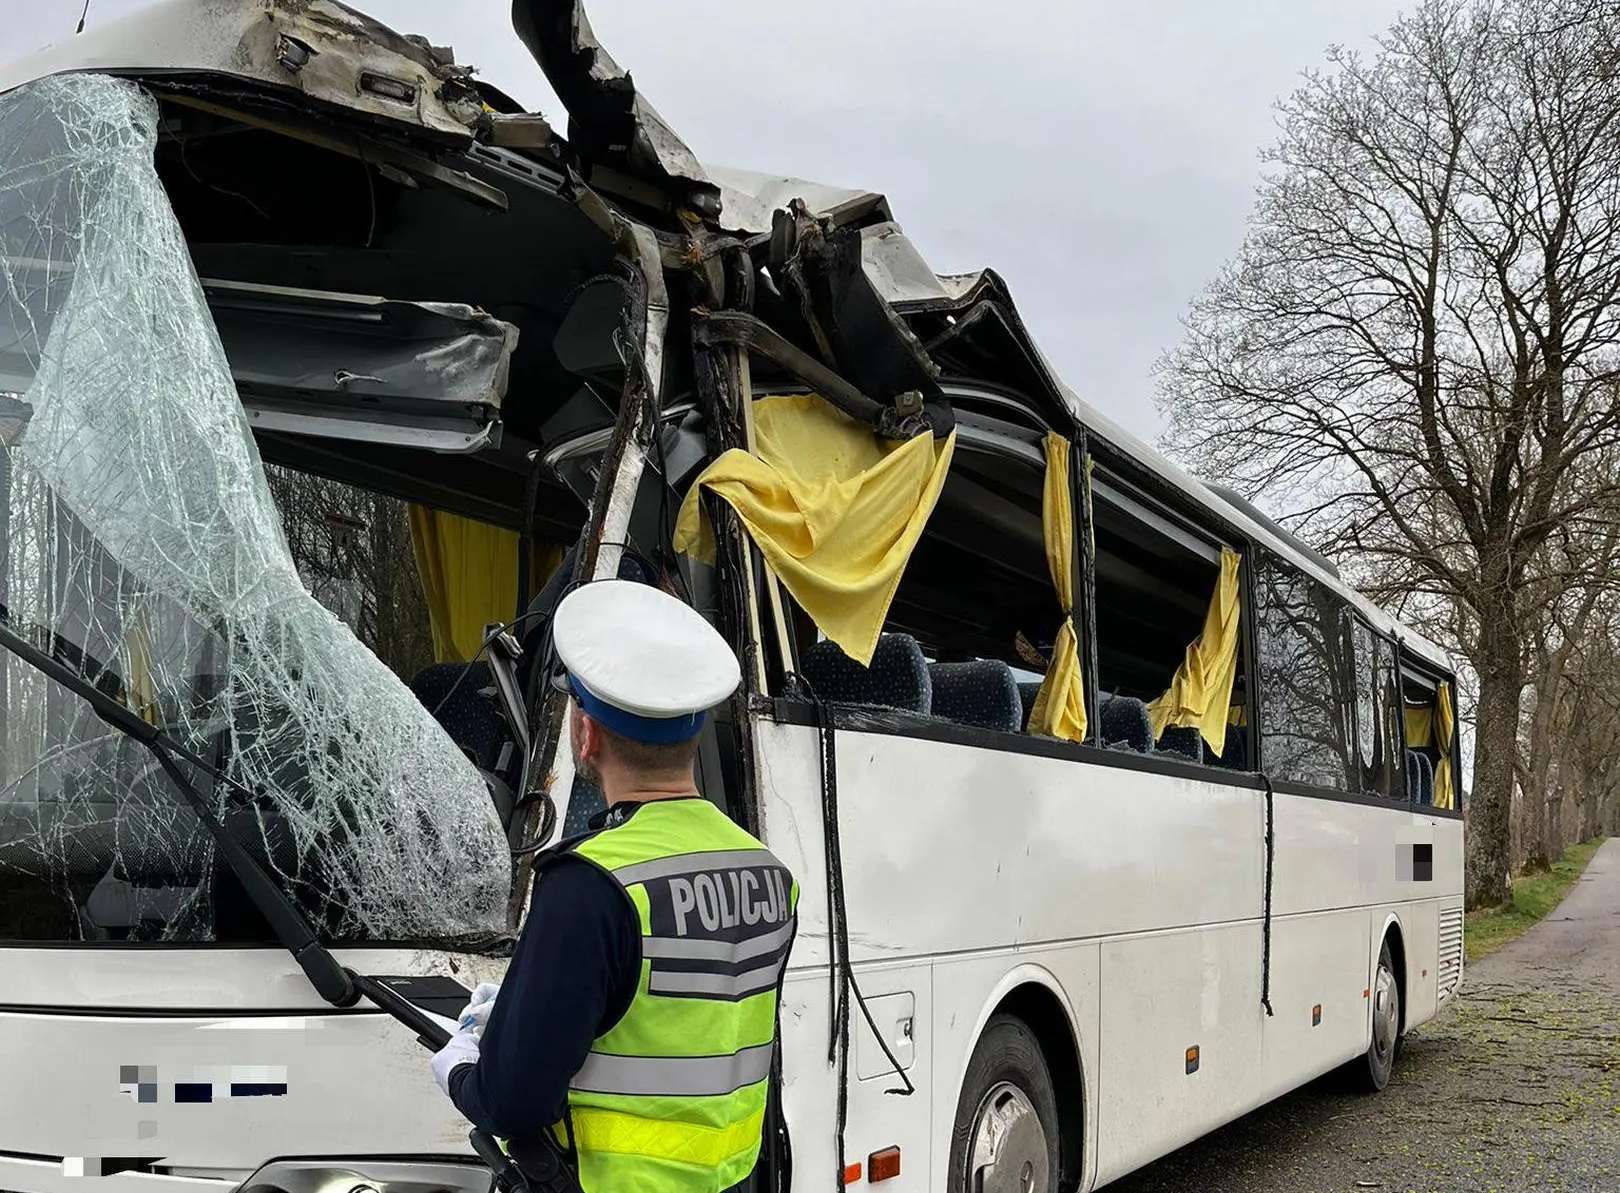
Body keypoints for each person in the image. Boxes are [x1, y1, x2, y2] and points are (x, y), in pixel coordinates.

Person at [430, 578, 799, 1193]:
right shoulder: (768, 872)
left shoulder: (591, 886)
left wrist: (465, 1068)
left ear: (586, 734)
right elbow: (691, 1026)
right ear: (693, 732)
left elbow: (516, 1101)